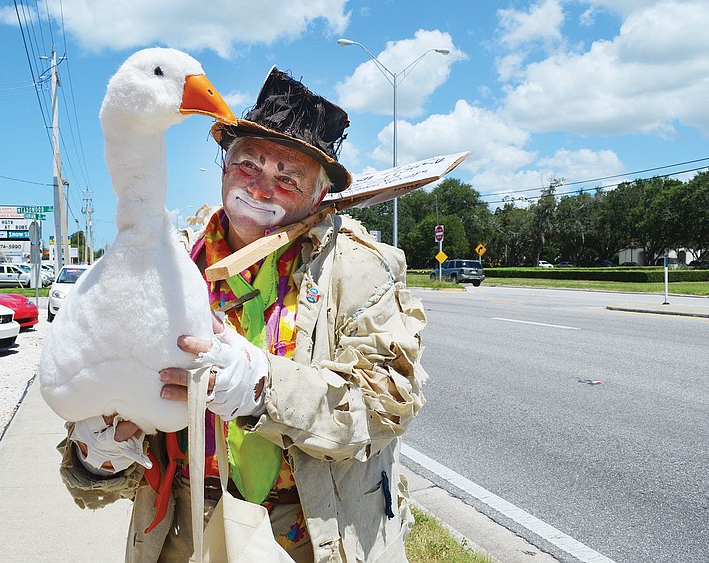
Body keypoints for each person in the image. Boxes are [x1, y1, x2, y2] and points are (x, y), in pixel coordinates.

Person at [56, 67, 429, 562]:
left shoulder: (359, 269)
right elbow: (115, 383)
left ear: (321, 194)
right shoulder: (167, 262)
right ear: (225, 167)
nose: (261, 187)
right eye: (248, 164)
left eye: (288, 177)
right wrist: (99, 448)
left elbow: (387, 404)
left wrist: (258, 386)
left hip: (307, 534)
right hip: (181, 528)